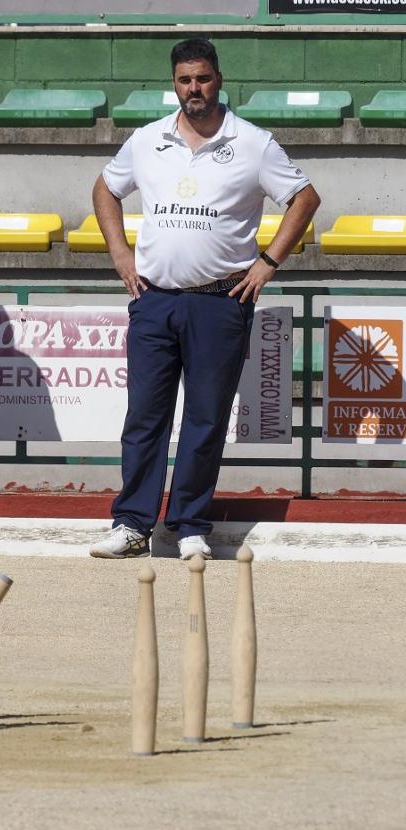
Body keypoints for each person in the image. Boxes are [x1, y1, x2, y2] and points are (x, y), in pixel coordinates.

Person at [89, 38, 320, 560]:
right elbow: (105, 189)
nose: (194, 88)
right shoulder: (148, 139)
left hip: (220, 303)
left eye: (203, 78)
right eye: (184, 80)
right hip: (153, 299)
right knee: (145, 417)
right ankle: (132, 524)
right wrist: (120, 253)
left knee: (204, 419)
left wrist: (267, 263)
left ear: (219, 78)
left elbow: (305, 198)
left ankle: (189, 523)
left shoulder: (254, 143)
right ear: (174, 83)